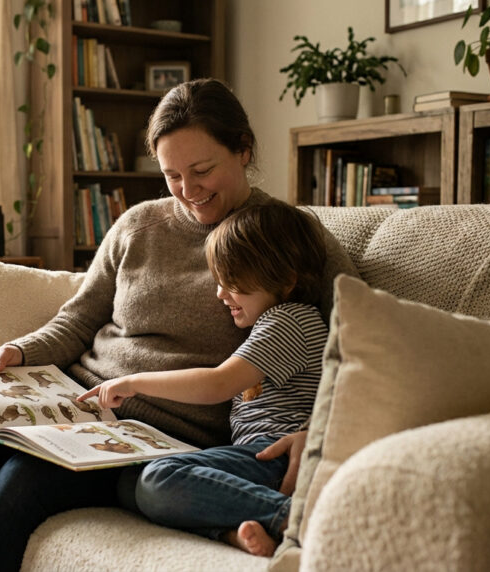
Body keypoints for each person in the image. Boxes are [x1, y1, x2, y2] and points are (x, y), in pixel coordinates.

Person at [0, 78, 312, 571]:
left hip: (160, 435)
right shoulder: (138, 225)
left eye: (202, 171)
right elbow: (79, 317)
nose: (188, 192)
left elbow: (353, 342)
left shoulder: (287, 236)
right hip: (75, 398)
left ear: (243, 151)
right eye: (172, 175)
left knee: (21, 482)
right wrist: (21, 353)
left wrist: (314, 429)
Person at [78, 202, 328, 556]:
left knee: (158, 478)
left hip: (276, 456)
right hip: (254, 457)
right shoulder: (271, 323)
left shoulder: (291, 321)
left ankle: (300, 520)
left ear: (286, 281)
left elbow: (216, 384)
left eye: (233, 283)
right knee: (130, 483)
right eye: (220, 281)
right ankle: (235, 533)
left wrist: (134, 383)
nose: (220, 294)